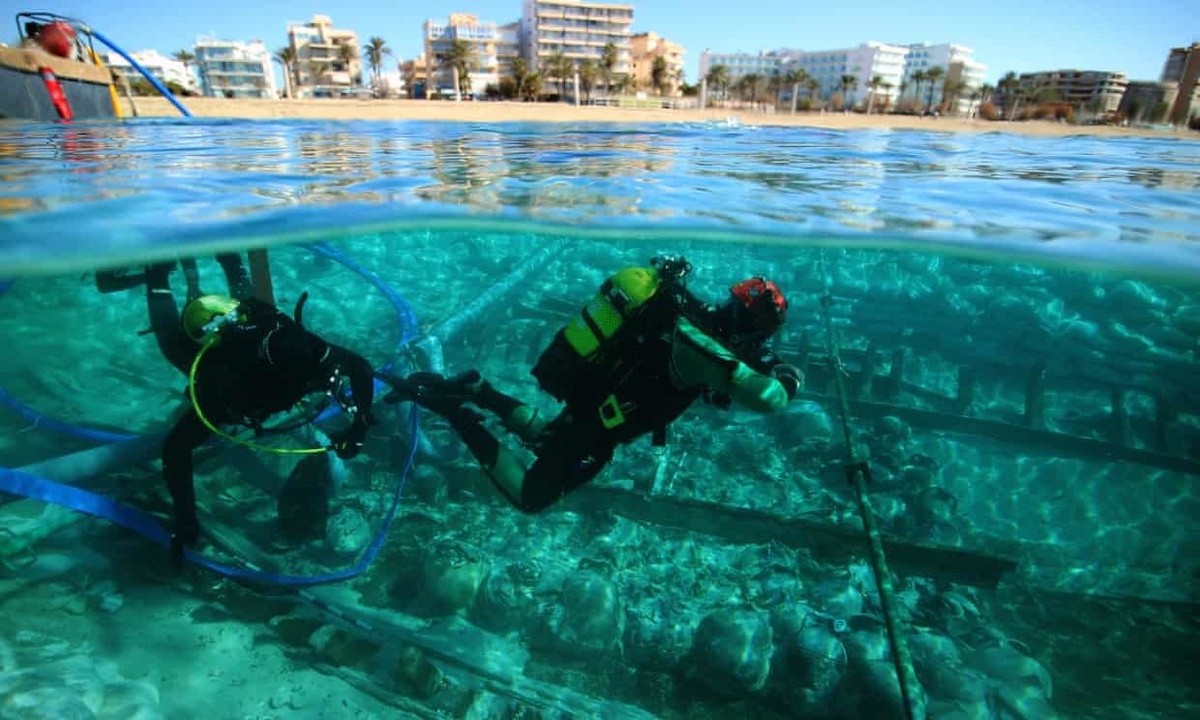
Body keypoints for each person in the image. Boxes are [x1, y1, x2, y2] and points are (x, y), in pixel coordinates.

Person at [380, 255, 804, 514]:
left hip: (595, 403)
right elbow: (769, 398)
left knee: (549, 437)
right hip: (600, 429)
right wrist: (787, 374)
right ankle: (456, 411)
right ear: (754, 329)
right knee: (530, 496)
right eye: (762, 336)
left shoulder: (689, 317)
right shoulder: (706, 348)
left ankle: (478, 390)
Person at [143, 259, 376, 559]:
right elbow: (175, 449)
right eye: (323, 379)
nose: (330, 381)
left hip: (259, 337)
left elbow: (360, 366)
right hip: (231, 384)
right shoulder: (232, 392)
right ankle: (158, 275)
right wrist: (186, 517)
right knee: (173, 343)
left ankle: (229, 263)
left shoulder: (307, 351)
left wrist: (360, 426)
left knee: (253, 306)